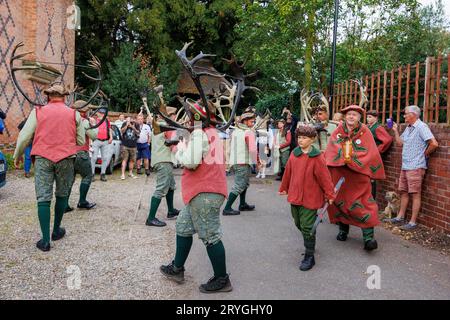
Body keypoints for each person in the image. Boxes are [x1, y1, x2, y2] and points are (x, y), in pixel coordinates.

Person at [159, 103, 232, 293]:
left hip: (204, 193)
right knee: (183, 226)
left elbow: (190, 162)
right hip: (204, 192)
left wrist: (179, 149)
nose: (189, 118)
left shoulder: (200, 133)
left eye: (191, 115)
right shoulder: (213, 132)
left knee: (210, 235)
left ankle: (222, 279)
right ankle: (177, 269)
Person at [13, 84, 85, 252]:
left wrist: (17, 155)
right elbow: (81, 141)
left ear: (48, 96)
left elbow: (24, 137)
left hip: (43, 158)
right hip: (66, 158)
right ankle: (56, 231)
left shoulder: (37, 111)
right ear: (65, 97)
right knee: (62, 194)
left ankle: (45, 241)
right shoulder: (74, 113)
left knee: (43, 197)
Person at [324, 105, 385, 251]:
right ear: (345, 116)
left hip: (359, 175)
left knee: (363, 203)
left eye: (355, 115)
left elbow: (370, 152)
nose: (351, 117)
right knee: (340, 202)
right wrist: (342, 155)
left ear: (359, 118)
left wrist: (351, 157)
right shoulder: (338, 130)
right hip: (340, 174)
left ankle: (369, 238)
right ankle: (343, 231)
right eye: (349, 114)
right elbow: (332, 148)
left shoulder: (365, 131)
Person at [279, 124, 335, 271]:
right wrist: (284, 187)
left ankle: (309, 256)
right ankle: (310, 235)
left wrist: (330, 194)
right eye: (299, 137)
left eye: (304, 138)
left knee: (307, 226)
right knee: (298, 223)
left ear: (312, 139)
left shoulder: (317, 157)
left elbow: (325, 178)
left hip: (311, 197)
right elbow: (288, 173)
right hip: (295, 195)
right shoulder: (294, 154)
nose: (300, 140)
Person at [385, 105, 438, 230]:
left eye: (406, 113)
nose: (404, 116)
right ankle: (400, 217)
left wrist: (425, 154)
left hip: (416, 166)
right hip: (405, 166)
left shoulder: (421, 127)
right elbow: (400, 143)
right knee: (403, 192)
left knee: (415, 194)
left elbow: (434, 144)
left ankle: (412, 222)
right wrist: (395, 131)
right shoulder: (409, 128)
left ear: (413, 114)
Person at [145, 107, 180, 227]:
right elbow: (173, 142)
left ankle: (171, 211)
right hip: (164, 160)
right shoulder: (167, 126)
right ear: (170, 116)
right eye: (174, 115)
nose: (175, 117)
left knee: (170, 186)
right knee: (161, 189)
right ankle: (151, 218)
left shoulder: (158, 125)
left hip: (160, 159)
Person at [222, 108, 257, 215]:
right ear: (245, 121)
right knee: (239, 185)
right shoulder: (248, 132)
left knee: (244, 184)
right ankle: (227, 208)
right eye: (251, 121)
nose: (253, 123)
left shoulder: (236, 131)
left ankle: (242, 204)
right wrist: (257, 162)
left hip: (237, 161)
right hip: (243, 162)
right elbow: (252, 149)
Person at [66, 100, 98, 212]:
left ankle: (64, 204)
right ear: (84, 111)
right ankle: (82, 201)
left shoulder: (68, 120)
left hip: (68, 153)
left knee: (69, 179)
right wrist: (93, 124)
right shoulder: (84, 121)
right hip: (81, 153)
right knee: (88, 176)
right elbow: (94, 135)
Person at [366, 110, 393, 198]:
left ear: (376, 118)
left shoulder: (378, 128)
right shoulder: (369, 127)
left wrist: (377, 150)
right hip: (367, 156)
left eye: (370, 117)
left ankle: (372, 201)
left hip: (374, 156)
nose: (367, 119)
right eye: (367, 117)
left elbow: (387, 140)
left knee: (372, 178)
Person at [91, 108, 112, 182]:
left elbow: (109, 129)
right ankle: (92, 174)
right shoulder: (94, 120)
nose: (103, 114)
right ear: (98, 113)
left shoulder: (107, 120)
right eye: (101, 113)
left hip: (105, 141)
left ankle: (103, 174)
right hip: (96, 141)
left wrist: (111, 137)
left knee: (105, 158)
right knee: (93, 158)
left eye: (104, 113)